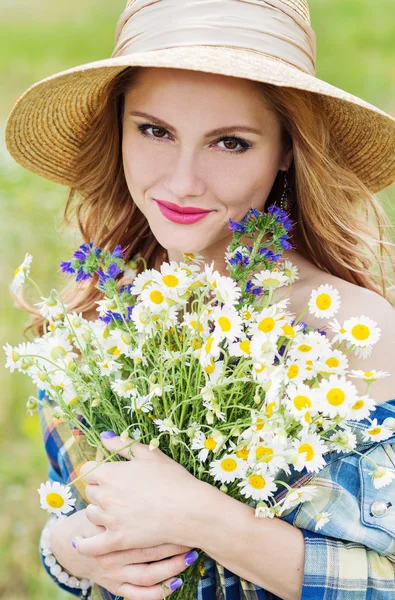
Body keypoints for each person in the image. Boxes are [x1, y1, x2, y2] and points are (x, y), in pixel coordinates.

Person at [5, 1, 395, 599]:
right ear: (118, 128)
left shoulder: (352, 334)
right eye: (155, 130)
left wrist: (203, 519)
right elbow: (73, 514)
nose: (183, 180)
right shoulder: (98, 310)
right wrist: (74, 552)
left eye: (230, 143)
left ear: (286, 150)